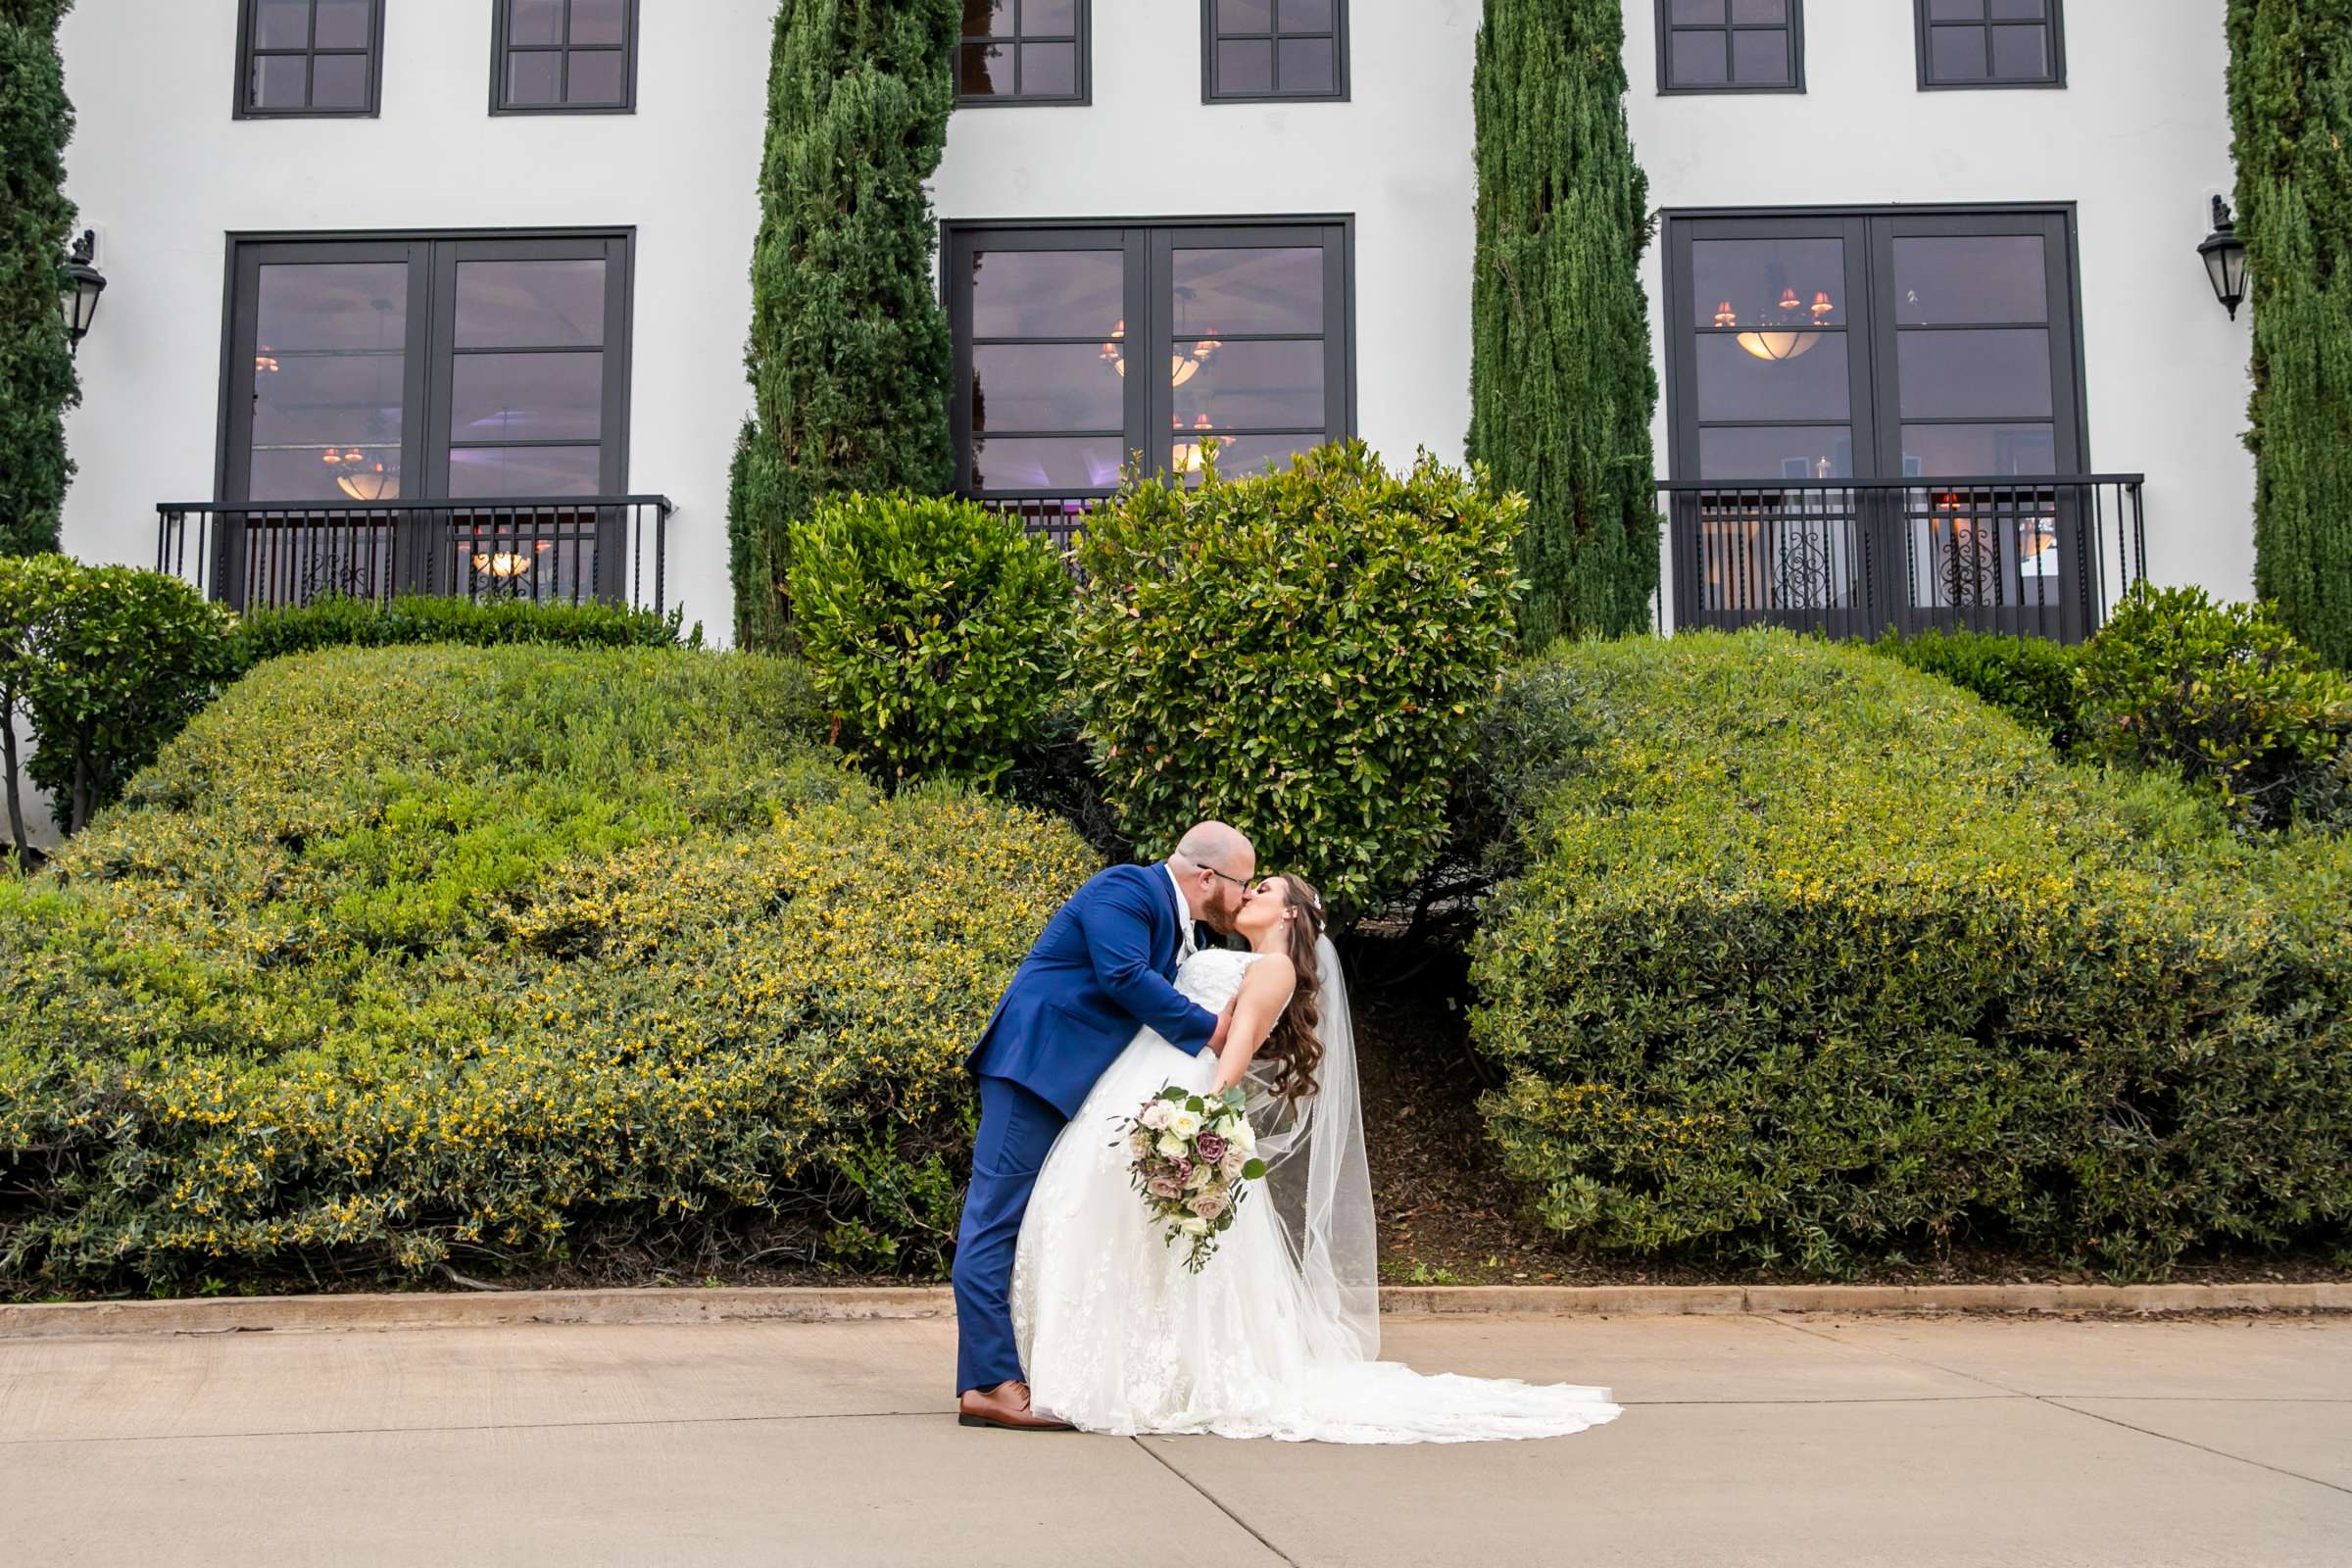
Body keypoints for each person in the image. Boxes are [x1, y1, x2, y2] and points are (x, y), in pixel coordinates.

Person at [1007, 872, 1622, 1444]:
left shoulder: (1273, 967)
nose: (1247, 893)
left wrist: (1191, 1128)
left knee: (1160, 1246)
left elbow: (1235, 1057)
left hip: (1177, 1100)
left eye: (1263, 888)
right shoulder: (1203, 945)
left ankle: (1151, 1376)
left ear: (1291, 913)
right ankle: (1105, 1364)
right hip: (1133, 1083)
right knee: (1102, 1225)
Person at [952, 821, 1257, 1431]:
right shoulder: (1126, 889)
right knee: (995, 1219)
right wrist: (1213, 1031)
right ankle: (987, 1383)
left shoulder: (1184, 924)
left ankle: (1009, 1367)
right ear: (1206, 877)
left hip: (1072, 1082)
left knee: (1029, 1219)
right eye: (1242, 883)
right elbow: (1122, 975)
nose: (1245, 895)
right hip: (1033, 1069)